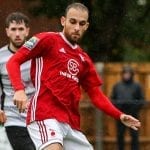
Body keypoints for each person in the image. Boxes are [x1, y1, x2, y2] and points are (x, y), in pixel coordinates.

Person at [6, 3, 141, 150]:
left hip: (71, 123)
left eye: (81, 23)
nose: (77, 27)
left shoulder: (84, 59)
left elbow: (96, 95)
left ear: (86, 26)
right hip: (44, 115)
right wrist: (19, 89)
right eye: (73, 22)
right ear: (63, 21)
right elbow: (14, 61)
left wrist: (119, 115)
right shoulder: (47, 40)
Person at [0, 12, 35, 150]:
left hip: (37, 118)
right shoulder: (0, 57)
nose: (17, 34)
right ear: (7, 31)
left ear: (27, 31)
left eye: (21, 29)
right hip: (12, 119)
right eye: (13, 29)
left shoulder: (37, 55)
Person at [111, 65, 145, 150]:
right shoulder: (117, 86)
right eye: (125, 73)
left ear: (132, 74)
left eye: (128, 73)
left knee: (134, 136)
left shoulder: (137, 86)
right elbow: (112, 99)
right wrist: (118, 110)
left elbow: (142, 100)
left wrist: (134, 109)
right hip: (121, 115)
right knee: (120, 136)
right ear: (122, 74)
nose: (126, 75)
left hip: (133, 115)